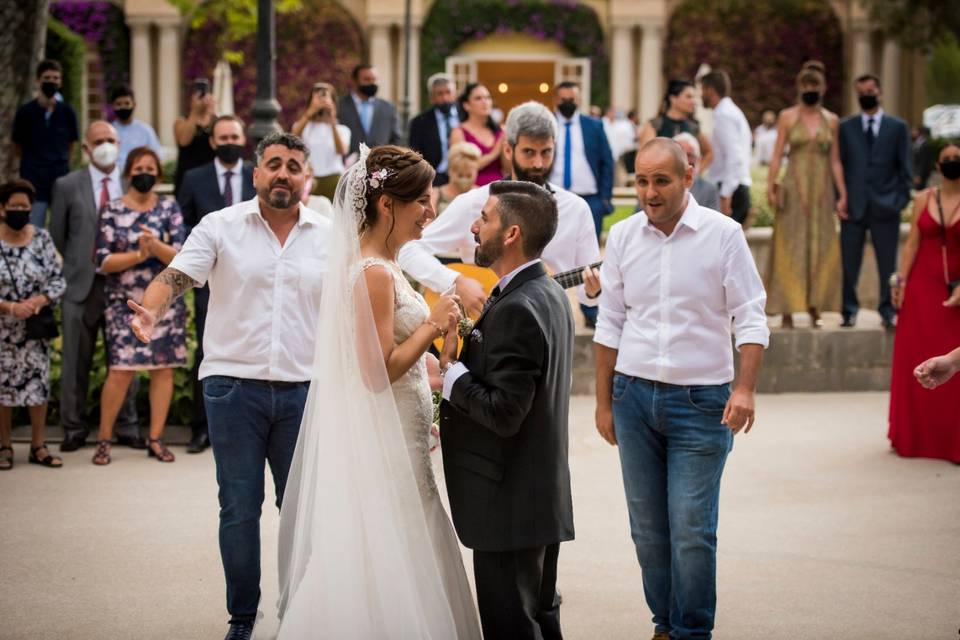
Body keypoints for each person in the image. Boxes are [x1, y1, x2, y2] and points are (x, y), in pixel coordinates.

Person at [128, 132, 330, 640]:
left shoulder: (329, 236)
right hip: (231, 388)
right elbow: (176, 276)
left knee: (300, 511)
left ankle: (301, 614)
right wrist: (151, 309)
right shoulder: (219, 226)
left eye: (293, 166)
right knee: (239, 508)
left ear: (306, 176)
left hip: (303, 392)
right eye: (274, 164)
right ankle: (242, 619)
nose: (283, 173)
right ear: (256, 172)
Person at [276, 143, 480, 638]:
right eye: (423, 202)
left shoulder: (386, 266)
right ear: (387, 204)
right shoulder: (371, 274)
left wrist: (437, 358)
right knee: (391, 545)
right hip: (386, 444)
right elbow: (374, 372)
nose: (431, 213)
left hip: (404, 433)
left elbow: (393, 358)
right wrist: (431, 324)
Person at [595, 138, 769, 640]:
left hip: (703, 403)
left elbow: (750, 316)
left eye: (661, 180)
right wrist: (603, 402)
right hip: (633, 399)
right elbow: (610, 323)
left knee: (692, 530)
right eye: (642, 181)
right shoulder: (623, 236)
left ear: (688, 177)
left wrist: (746, 389)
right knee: (649, 531)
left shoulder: (723, 235)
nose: (649, 192)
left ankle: (693, 632)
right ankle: (664, 625)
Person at [437, 180, 574, 639]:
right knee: (539, 619)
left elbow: (504, 412)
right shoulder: (546, 291)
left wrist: (452, 374)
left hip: (509, 501)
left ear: (511, 233)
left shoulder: (518, 305)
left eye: (486, 218)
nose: (475, 227)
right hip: (534, 496)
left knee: (512, 627)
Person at [398, 101, 600, 326]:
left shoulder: (576, 209)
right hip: (483, 328)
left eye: (546, 152)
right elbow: (407, 248)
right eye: (528, 152)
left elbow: (589, 297)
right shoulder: (474, 202)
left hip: (550, 326)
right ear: (507, 149)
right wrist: (455, 281)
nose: (538, 163)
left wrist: (593, 292)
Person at [48, 121, 142, 452]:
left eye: (111, 140)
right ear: (87, 148)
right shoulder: (66, 185)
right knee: (75, 360)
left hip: (122, 286)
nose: (106, 145)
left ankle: (127, 425)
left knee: (125, 360)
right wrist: (79, 263)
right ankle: (73, 427)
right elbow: (58, 234)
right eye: (99, 141)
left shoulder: (131, 183)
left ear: (120, 144)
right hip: (80, 284)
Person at [92, 148, 186, 466]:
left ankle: (156, 439)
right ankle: (104, 439)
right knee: (120, 372)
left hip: (164, 306)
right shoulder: (112, 210)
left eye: (149, 167)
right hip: (124, 304)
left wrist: (156, 247)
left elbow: (185, 257)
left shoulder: (169, 208)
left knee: (163, 370)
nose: (143, 172)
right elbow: (103, 261)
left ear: (158, 174)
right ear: (128, 172)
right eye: (137, 167)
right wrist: (139, 255)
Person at [178, 115, 256, 454]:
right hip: (210, 278)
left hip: (254, 277)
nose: (229, 141)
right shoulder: (194, 178)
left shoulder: (257, 174)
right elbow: (182, 223)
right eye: (222, 136)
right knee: (208, 348)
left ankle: (247, 422)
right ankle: (201, 428)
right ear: (213, 141)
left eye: (234, 136)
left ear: (243, 140)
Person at [887, 143, 960, 463]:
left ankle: (951, 440)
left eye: (956, 159)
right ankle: (914, 437)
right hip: (921, 289)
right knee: (916, 359)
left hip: (954, 291)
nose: (951, 163)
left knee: (952, 359)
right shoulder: (922, 199)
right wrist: (900, 283)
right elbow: (911, 244)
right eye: (946, 160)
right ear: (937, 165)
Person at [765, 65, 847, 328]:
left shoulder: (831, 120)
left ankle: (816, 306)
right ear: (799, 88)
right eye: (806, 86)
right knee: (789, 244)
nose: (810, 90)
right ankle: (786, 309)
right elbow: (777, 154)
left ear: (823, 88)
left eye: (815, 86)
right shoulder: (787, 117)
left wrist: (842, 193)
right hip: (794, 185)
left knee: (820, 246)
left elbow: (835, 161)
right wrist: (771, 185)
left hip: (821, 190)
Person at [0, 180, 67, 471]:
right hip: (3, 328)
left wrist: (39, 301)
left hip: (35, 329)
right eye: (14, 206)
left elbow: (58, 279)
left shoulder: (41, 238)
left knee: (37, 387)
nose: (20, 211)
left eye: (24, 207)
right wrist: (11, 307)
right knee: (3, 389)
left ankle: (38, 446)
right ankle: (5, 446)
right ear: (2, 208)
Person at [838, 73, 912, 329]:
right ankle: (848, 310)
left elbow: (906, 170)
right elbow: (840, 166)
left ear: (879, 92)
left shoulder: (898, 127)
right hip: (854, 207)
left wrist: (899, 202)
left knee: (887, 264)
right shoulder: (846, 127)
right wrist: (841, 199)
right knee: (849, 262)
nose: (865, 96)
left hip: (886, 206)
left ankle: (887, 310)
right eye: (860, 92)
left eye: (870, 90)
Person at [11, 59, 80, 228]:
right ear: (38, 80)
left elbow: (72, 143)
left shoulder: (67, 112)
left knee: (61, 226)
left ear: (61, 81)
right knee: (34, 226)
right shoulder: (25, 112)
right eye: (47, 77)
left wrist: (64, 163)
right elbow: (17, 145)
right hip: (33, 177)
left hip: (60, 176)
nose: (51, 82)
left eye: (56, 78)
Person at [549, 81, 615, 237]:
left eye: (571, 99)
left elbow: (607, 162)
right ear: (555, 100)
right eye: (563, 99)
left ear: (579, 100)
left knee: (589, 253)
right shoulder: (545, 124)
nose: (567, 103)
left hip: (590, 199)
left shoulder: (594, 126)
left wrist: (604, 199)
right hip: (553, 198)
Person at [701, 70, 753, 224]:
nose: (700, 94)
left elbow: (734, 156)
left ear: (710, 90)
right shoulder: (729, 112)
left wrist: (725, 195)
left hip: (731, 190)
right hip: (734, 188)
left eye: (702, 89)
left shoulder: (724, 114)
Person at [637, 79, 712, 172]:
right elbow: (644, 157)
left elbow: (709, 153)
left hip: (686, 184)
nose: (693, 101)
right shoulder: (655, 125)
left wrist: (696, 173)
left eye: (694, 97)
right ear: (673, 99)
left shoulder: (693, 127)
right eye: (688, 97)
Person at [292, 82, 350, 200]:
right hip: (309, 179)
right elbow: (292, 140)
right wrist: (310, 112)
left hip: (333, 179)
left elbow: (342, 150)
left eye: (326, 96)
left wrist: (332, 121)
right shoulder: (303, 126)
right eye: (318, 96)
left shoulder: (342, 129)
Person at [336, 64, 403, 158]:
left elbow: (396, 139)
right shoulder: (338, 106)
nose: (372, 83)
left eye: (374, 79)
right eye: (367, 79)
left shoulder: (388, 108)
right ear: (354, 81)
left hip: (381, 166)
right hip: (347, 167)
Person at [449, 83, 508, 187]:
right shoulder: (459, 132)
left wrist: (509, 146)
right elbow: (462, 169)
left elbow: (507, 169)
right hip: (471, 191)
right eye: (478, 98)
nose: (485, 102)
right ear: (466, 105)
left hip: (499, 190)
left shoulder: (500, 131)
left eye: (487, 98)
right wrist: (494, 153)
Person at [408, 73, 460, 186]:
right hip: (435, 177)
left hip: (464, 175)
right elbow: (415, 155)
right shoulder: (419, 122)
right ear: (432, 98)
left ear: (455, 94)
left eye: (448, 92)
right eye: (440, 94)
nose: (445, 98)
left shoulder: (466, 115)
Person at [173, 78, 217, 196]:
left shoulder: (216, 122)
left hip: (211, 179)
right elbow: (183, 141)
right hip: (186, 179)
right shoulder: (182, 121)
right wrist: (195, 112)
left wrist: (212, 111)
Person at [109, 84, 162, 172]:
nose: (123, 107)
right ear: (113, 106)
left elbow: (156, 156)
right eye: (118, 104)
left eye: (127, 103)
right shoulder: (108, 131)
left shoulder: (146, 130)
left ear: (134, 104)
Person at [431, 141, 480, 216]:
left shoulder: (480, 194)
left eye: (469, 175)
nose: (464, 180)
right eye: (460, 175)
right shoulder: (436, 195)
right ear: (450, 171)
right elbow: (428, 225)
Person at [673, 132, 720, 211]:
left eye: (689, 155)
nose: (685, 160)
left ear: (698, 159)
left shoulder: (709, 189)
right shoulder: (660, 185)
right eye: (680, 154)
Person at [912, 125, 933, 190]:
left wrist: (919, 175)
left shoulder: (924, 144)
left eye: (914, 130)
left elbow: (923, 161)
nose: (912, 132)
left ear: (918, 132)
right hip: (917, 173)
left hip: (921, 175)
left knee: (920, 191)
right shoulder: (917, 143)